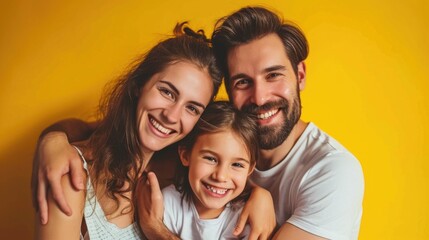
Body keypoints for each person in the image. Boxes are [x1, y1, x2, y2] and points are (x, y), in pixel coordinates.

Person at [34, 22, 223, 239]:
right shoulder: (72, 175)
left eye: (191, 108)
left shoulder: (186, 176)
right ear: (138, 85)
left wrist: (260, 196)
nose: (171, 116)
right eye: (167, 92)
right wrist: (52, 138)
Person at [210, 6, 365, 240]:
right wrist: (256, 191)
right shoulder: (212, 149)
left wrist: (158, 232)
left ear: (300, 75)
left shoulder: (333, 169)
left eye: (273, 75)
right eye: (243, 82)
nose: (260, 97)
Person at [162, 101, 260, 239]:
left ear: (250, 169)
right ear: (185, 155)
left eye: (237, 165)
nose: (220, 176)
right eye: (210, 159)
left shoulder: (248, 218)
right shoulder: (168, 203)